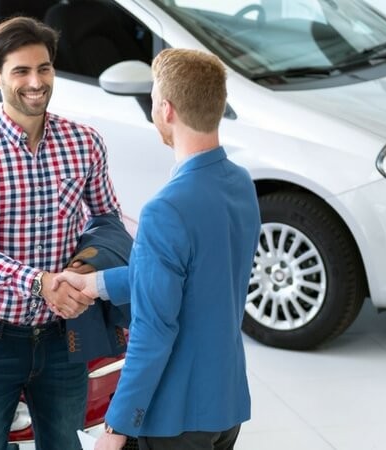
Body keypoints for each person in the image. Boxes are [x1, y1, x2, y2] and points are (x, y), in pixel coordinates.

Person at [55, 49, 260, 450]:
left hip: (174, 419)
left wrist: (116, 428)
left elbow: (153, 331)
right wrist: (96, 282)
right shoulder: (240, 184)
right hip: (226, 402)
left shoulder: (166, 209)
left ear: (166, 110)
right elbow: (195, 277)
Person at [0, 16, 124, 450]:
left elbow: (109, 221)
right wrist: (41, 284)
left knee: (65, 444)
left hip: (65, 337)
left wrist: (78, 273)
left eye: (43, 68)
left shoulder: (84, 143)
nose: (35, 81)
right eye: (21, 71)